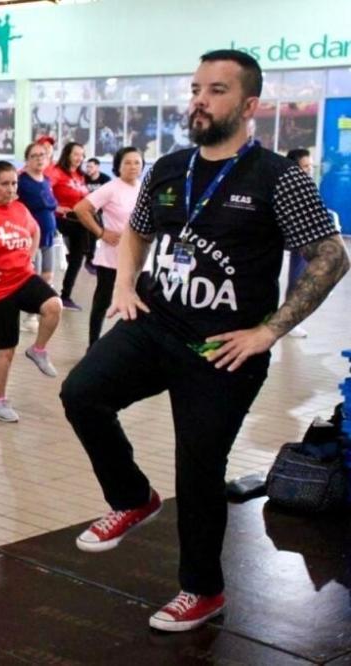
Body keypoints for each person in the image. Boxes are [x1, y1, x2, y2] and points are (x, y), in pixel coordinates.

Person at [60, 50, 348, 633]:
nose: (198, 100)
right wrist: (122, 285)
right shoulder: (169, 167)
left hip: (223, 352)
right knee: (82, 394)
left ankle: (202, 591)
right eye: (195, 88)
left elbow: (331, 255)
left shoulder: (277, 178)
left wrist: (268, 331)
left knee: (198, 471)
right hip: (156, 324)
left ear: (248, 106)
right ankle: (133, 497)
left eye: (216, 90)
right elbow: (137, 232)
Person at [0, 161, 62, 423]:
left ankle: (38, 350)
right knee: (6, 350)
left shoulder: (20, 208)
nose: (10, 189)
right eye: (4, 184)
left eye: (14, 183)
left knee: (54, 306)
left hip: (24, 278)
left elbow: (36, 230)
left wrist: (29, 256)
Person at [74, 147, 144, 347]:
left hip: (141, 260)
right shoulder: (111, 187)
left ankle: (135, 347)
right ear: (118, 166)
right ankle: (92, 345)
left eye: (137, 162)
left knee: (142, 305)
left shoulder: (143, 188)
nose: (133, 167)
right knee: (102, 303)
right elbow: (81, 209)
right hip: (112, 258)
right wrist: (101, 233)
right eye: (127, 162)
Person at [46, 141, 91, 311]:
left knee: (78, 258)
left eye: (82, 155)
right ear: (67, 155)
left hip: (78, 220)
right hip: (60, 219)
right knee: (75, 254)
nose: (79, 158)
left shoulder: (80, 176)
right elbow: (43, 190)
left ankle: (65, 296)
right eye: (76, 154)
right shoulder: (57, 172)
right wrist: (55, 207)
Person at [17, 142, 59, 288]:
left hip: (48, 235)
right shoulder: (21, 181)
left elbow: (51, 205)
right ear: (27, 160)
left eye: (42, 155)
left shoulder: (47, 180)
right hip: (30, 237)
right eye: (34, 156)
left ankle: (42, 307)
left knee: (48, 276)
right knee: (34, 278)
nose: (39, 159)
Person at [283, 147, 313, 338]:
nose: (309, 170)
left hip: (301, 241)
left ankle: (290, 321)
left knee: (297, 280)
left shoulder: (308, 184)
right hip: (285, 238)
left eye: (310, 166)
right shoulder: (285, 186)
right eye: (305, 166)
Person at [82, 156, 112, 274]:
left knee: (95, 223)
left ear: (97, 167)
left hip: (100, 209)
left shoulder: (105, 179)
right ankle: (89, 256)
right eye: (87, 167)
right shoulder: (83, 179)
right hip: (86, 208)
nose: (88, 169)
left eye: (91, 166)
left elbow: (109, 197)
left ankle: (93, 256)